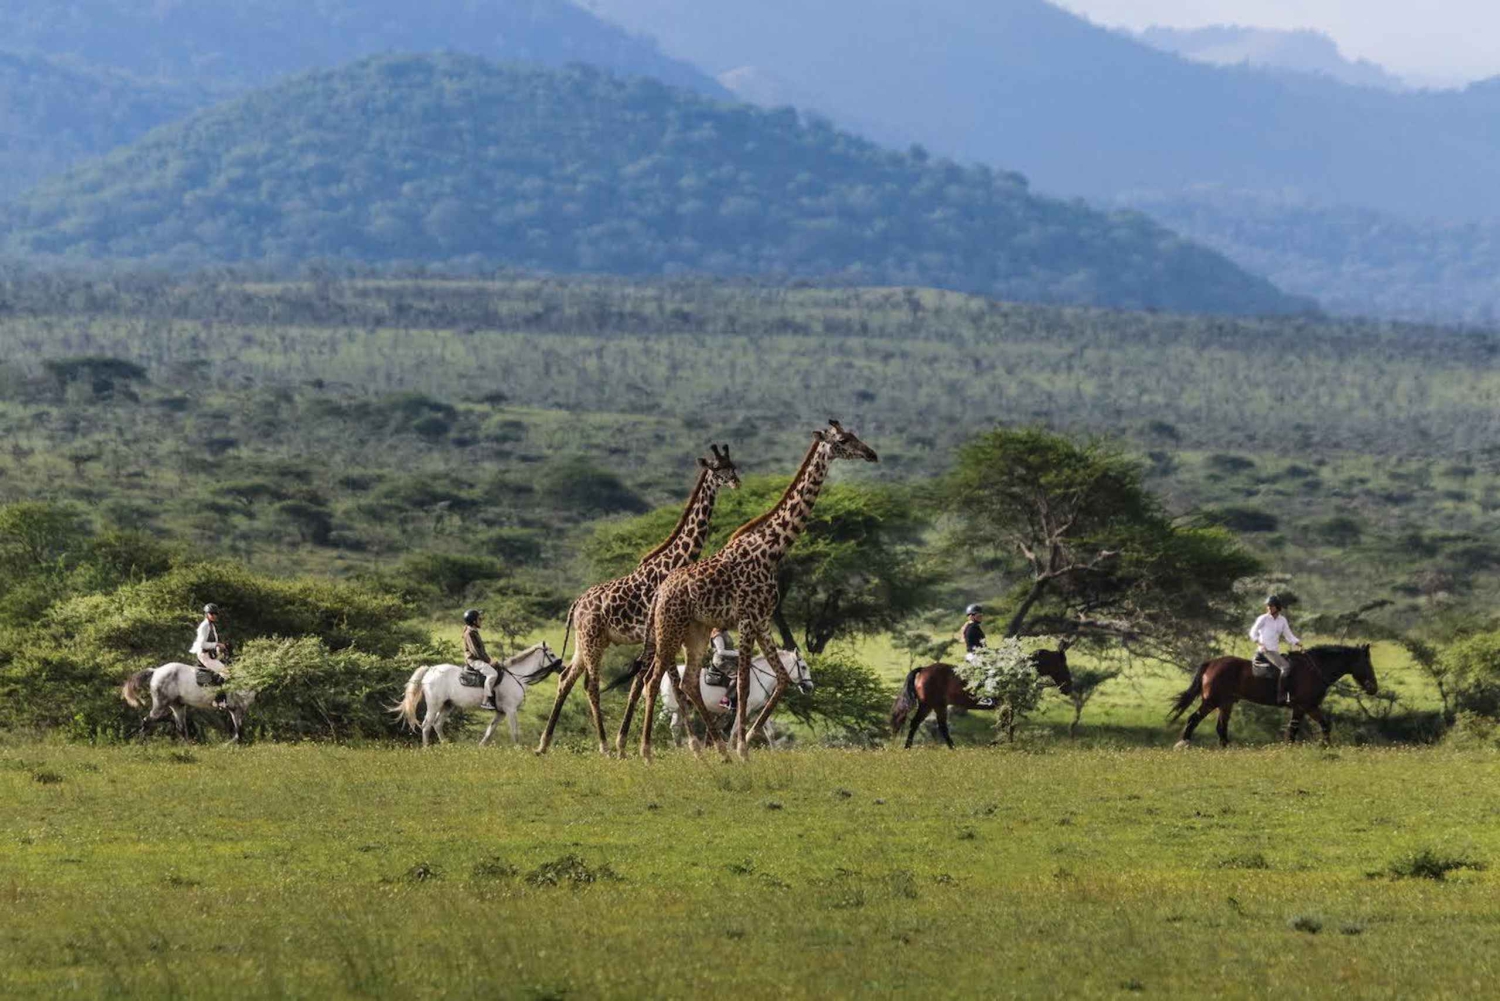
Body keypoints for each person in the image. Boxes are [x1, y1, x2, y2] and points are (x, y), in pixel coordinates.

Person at [1250, 595, 1302, 706]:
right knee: (1286, 667)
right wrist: (1260, 644)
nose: (1268, 608)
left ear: (1277, 607)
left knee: (1292, 663)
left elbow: (1288, 635)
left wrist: (1298, 643)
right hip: (1265, 651)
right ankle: (1281, 697)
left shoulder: (1282, 620)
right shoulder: (1263, 618)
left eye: (1271, 606)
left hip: (1274, 651)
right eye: (1267, 606)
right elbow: (1252, 633)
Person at [190, 603, 230, 709]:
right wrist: (217, 645)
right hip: (204, 654)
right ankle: (217, 701)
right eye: (211, 613)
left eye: (215, 614)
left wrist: (220, 647)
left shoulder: (211, 625)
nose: (214, 615)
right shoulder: (205, 626)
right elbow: (202, 644)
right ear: (207, 614)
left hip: (210, 654)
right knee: (225, 672)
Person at [462, 609, 503, 711]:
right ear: (474, 622)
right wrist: (489, 661)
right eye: (479, 619)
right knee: (492, 674)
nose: (481, 621)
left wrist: (489, 658)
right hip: (473, 660)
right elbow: (476, 651)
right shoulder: (469, 633)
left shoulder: (474, 631)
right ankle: (486, 701)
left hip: (478, 658)